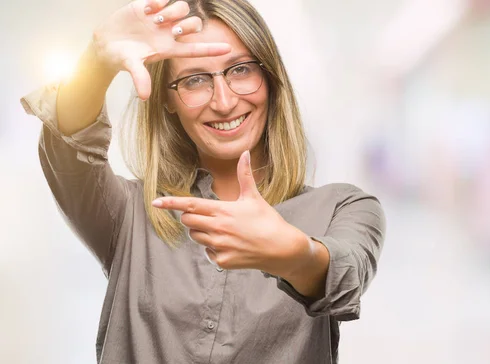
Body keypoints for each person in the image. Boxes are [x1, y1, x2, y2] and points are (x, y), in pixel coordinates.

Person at [20, 0, 386, 363]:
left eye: (241, 70)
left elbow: (344, 276)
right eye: (195, 79)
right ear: (168, 100)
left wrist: (293, 253)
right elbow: (70, 142)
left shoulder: (346, 208)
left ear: (271, 79)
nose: (224, 102)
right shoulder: (129, 214)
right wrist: (97, 62)